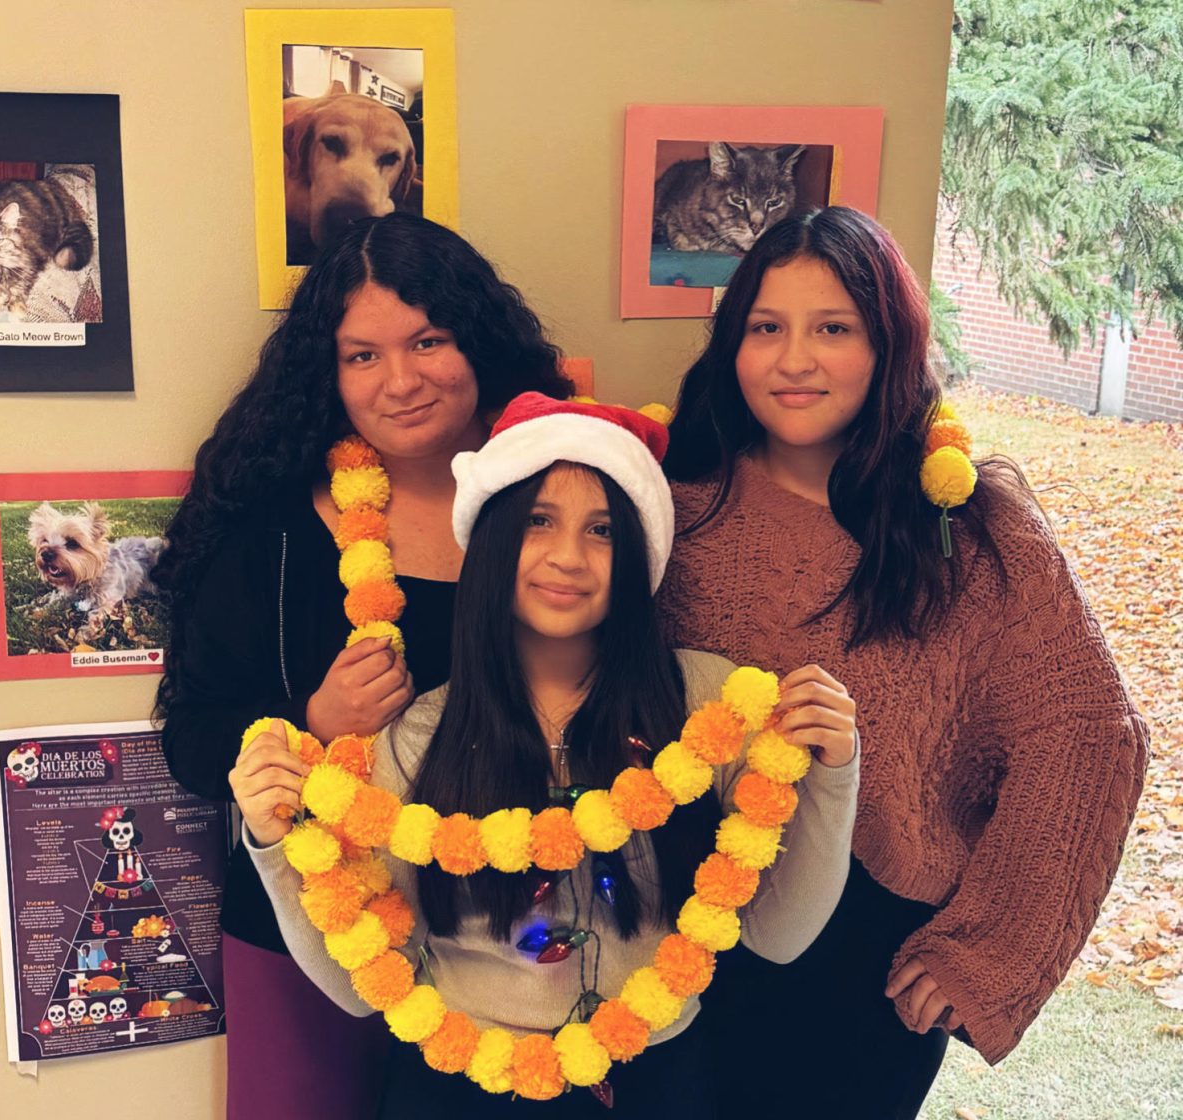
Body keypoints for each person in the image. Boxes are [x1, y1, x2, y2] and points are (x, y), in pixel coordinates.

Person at [231, 393, 861, 1117]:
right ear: (494, 541)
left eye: (601, 530)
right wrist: (277, 846)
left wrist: (835, 773)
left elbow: (781, 938)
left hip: (654, 1079)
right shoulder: (416, 741)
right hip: (459, 1087)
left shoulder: (710, 711)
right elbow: (359, 985)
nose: (568, 557)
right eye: (539, 522)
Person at [657, 205, 1150, 1118]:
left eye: (832, 328)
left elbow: (1089, 739)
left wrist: (992, 955)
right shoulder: (669, 515)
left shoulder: (971, 531)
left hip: (866, 968)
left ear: (888, 346)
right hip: (678, 932)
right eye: (766, 327)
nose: (794, 359)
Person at [154, 214, 574, 1119]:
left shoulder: (564, 506)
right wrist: (311, 724)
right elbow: (190, 736)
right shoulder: (271, 527)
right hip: (317, 926)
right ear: (327, 373)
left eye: (429, 340)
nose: (403, 381)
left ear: (478, 342)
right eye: (362, 356)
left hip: (521, 932)